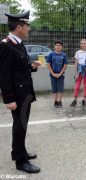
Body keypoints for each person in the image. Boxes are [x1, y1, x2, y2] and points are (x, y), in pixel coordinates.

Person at [0, 11, 41, 173]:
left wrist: (32, 67)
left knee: (22, 124)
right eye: (26, 27)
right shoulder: (6, 45)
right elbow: (3, 75)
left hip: (24, 93)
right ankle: (20, 160)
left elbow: (18, 68)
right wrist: (9, 98)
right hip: (17, 95)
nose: (28, 29)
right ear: (19, 27)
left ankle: (20, 151)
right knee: (20, 125)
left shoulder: (17, 43)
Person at [47, 40, 68, 108]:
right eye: (57, 45)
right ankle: (55, 101)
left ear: (61, 47)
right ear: (54, 46)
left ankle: (59, 101)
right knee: (54, 89)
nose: (58, 46)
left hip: (61, 75)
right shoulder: (51, 55)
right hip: (53, 75)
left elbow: (65, 65)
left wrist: (60, 73)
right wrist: (53, 73)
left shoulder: (63, 55)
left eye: (59, 45)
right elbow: (48, 64)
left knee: (60, 89)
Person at [70, 39, 86, 107]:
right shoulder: (78, 52)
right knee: (77, 86)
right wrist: (76, 73)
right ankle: (75, 99)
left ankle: (84, 99)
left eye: (84, 43)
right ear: (80, 45)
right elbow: (76, 63)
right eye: (82, 44)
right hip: (80, 70)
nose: (83, 45)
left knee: (85, 86)